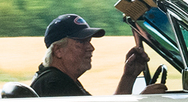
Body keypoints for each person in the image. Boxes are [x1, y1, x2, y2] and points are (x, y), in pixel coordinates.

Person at [30, 14, 166, 97]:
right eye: (82, 42)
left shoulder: (58, 79)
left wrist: (129, 76)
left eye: (89, 41)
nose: (91, 48)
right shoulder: (54, 84)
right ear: (58, 50)